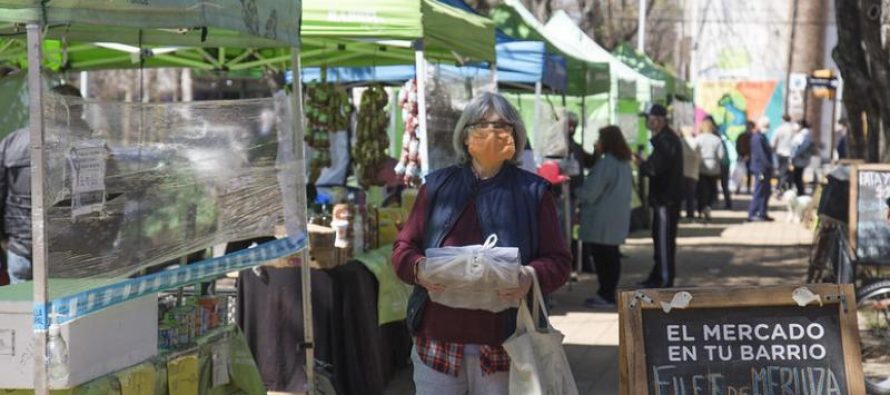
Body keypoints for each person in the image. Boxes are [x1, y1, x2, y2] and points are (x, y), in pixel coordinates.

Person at [392, 92, 572, 394]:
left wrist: (529, 277)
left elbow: (559, 261)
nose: (491, 133)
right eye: (481, 125)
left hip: (505, 344)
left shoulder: (534, 193)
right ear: (464, 136)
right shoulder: (437, 186)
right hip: (438, 342)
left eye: (502, 126)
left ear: (515, 136)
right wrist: (419, 269)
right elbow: (402, 251)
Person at [1, 84, 84, 284]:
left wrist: (5, 239)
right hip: (67, 251)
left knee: (21, 312)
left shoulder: (14, 141)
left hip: (22, 248)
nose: (81, 114)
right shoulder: (84, 144)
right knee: (65, 313)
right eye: (78, 108)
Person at [578, 126, 633, 307]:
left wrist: (575, 192)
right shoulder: (624, 162)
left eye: (599, 139)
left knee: (603, 259)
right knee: (612, 257)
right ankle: (609, 293)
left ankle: (606, 294)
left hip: (602, 218)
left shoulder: (606, 163)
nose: (597, 143)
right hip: (617, 217)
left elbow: (591, 192)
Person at [634, 104, 683, 289]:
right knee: (660, 239)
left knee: (663, 241)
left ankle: (664, 278)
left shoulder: (665, 141)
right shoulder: (664, 140)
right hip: (664, 198)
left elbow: (655, 169)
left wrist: (641, 164)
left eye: (650, 118)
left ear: (659, 120)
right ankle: (657, 275)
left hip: (665, 200)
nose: (648, 122)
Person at [695, 119, 725, 222]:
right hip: (714, 168)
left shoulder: (698, 139)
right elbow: (721, 156)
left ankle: (700, 209)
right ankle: (707, 206)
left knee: (701, 190)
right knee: (712, 189)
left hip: (701, 166)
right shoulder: (717, 140)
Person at [747, 116, 775, 222]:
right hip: (761, 169)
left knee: (766, 191)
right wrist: (769, 165)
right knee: (759, 191)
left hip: (764, 168)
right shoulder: (757, 138)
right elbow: (761, 155)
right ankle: (753, 213)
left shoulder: (762, 137)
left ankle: (763, 212)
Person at [771, 114, 796, 194]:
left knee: (781, 172)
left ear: (783, 120)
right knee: (786, 172)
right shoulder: (793, 130)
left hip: (780, 153)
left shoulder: (779, 129)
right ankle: (782, 188)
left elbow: (773, 143)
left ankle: (779, 188)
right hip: (790, 154)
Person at [790, 120, 816, 196]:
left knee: (797, 178)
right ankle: (800, 192)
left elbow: (801, 147)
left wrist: (794, 156)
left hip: (800, 160)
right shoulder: (805, 134)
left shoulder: (805, 134)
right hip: (800, 159)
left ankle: (801, 193)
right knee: (797, 177)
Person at [680, 128, 701, 220]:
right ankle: (690, 213)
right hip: (693, 171)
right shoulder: (696, 142)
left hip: (682, 171)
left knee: (680, 195)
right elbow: (700, 158)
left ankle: (678, 213)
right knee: (691, 196)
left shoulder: (680, 142)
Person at [734, 121, 754, 194]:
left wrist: (749, 155)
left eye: (750, 126)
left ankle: (748, 188)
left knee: (748, 173)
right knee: (740, 173)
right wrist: (740, 155)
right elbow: (737, 146)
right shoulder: (741, 136)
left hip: (749, 158)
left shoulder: (753, 136)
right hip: (741, 157)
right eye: (747, 126)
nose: (748, 128)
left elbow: (753, 148)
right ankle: (738, 188)